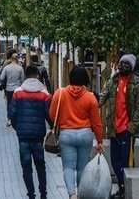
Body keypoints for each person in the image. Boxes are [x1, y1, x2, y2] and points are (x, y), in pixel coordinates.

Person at [50, 66, 104, 199]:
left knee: (68, 167)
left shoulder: (60, 93)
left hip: (66, 135)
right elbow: (96, 122)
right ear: (86, 79)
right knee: (82, 167)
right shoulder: (90, 97)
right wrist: (100, 141)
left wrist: (62, 121)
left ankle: (71, 194)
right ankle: (80, 193)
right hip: (85, 135)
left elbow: (52, 115)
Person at [100, 54, 139, 199]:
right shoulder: (113, 81)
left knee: (125, 163)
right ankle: (122, 187)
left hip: (127, 130)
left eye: (127, 63)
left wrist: (132, 128)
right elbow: (103, 96)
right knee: (114, 161)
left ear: (131, 67)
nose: (123, 66)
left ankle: (125, 190)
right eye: (122, 63)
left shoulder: (136, 83)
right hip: (114, 129)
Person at [10, 65, 52, 199]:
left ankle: (31, 194)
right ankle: (43, 194)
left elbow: (12, 114)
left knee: (26, 166)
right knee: (40, 165)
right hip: (38, 135)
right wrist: (52, 129)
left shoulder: (17, 92)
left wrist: (19, 128)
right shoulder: (44, 93)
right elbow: (49, 115)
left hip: (23, 136)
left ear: (26, 75)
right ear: (37, 75)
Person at [0, 49, 25, 127]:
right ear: (17, 59)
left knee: (9, 104)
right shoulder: (20, 68)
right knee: (18, 104)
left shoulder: (7, 68)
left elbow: (1, 77)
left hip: (9, 89)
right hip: (17, 89)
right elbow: (22, 79)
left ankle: (9, 119)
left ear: (11, 58)